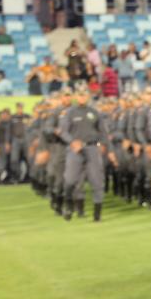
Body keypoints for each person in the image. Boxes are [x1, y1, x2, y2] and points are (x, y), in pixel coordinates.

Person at [59, 83, 110, 221]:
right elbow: (63, 132)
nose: (82, 97)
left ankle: (97, 215)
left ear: (88, 96)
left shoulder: (95, 112)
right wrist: (72, 141)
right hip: (75, 150)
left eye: (84, 94)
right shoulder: (69, 112)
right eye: (80, 94)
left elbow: (103, 132)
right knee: (70, 180)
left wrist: (104, 145)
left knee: (97, 181)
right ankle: (68, 205)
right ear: (76, 96)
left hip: (92, 148)